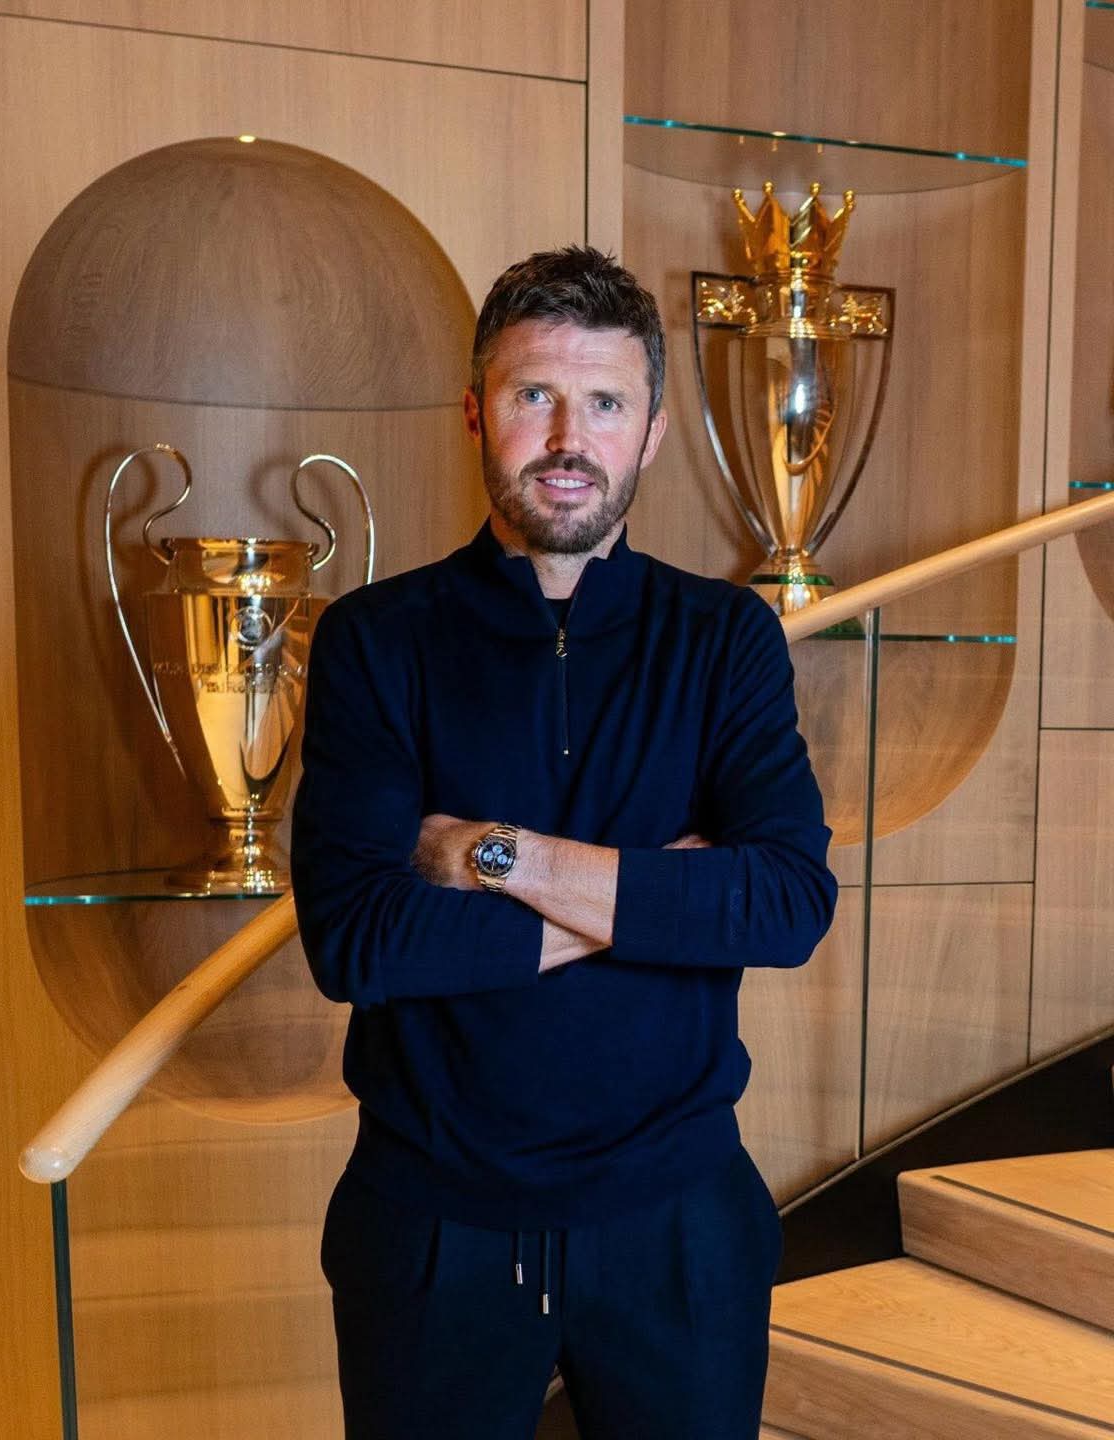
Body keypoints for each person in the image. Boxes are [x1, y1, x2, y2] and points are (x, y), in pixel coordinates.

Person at [291, 245, 837, 1440]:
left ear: (651, 433)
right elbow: (357, 939)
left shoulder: (725, 640)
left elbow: (787, 903)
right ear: (476, 412)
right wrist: (658, 902)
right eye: (533, 394)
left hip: (680, 1223)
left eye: (604, 403)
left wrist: (494, 855)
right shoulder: (376, 641)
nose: (566, 438)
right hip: (433, 1229)